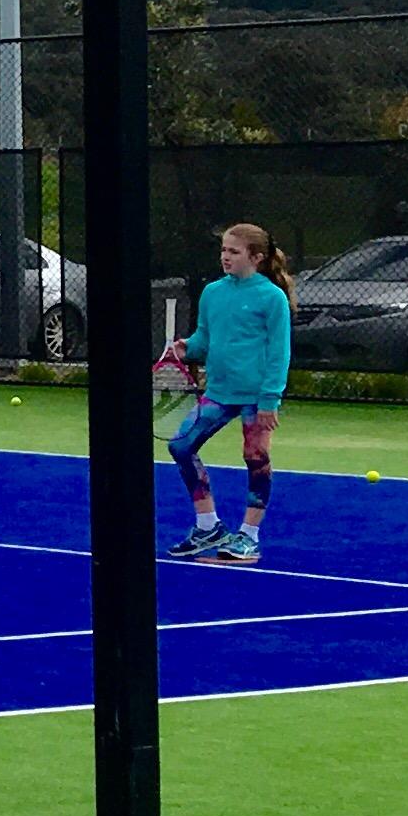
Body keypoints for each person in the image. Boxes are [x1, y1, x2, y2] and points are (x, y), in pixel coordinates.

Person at [164, 220, 293, 564]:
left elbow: (280, 353)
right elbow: (205, 338)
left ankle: (248, 536)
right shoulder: (213, 293)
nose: (225, 256)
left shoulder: (272, 297)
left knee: (256, 458)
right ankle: (208, 525)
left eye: (233, 251)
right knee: (181, 445)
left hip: (256, 396)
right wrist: (186, 347)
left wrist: (270, 399)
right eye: (223, 250)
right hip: (219, 392)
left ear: (256, 257)